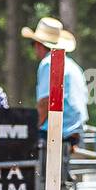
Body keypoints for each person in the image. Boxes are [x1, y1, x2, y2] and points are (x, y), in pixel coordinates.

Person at [21, 16, 88, 145]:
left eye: (33, 44)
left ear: (39, 45)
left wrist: (32, 129)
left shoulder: (48, 63)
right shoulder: (73, 65)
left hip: (58, 132)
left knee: (17, 144)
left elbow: (45, 103)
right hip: (75, 131)